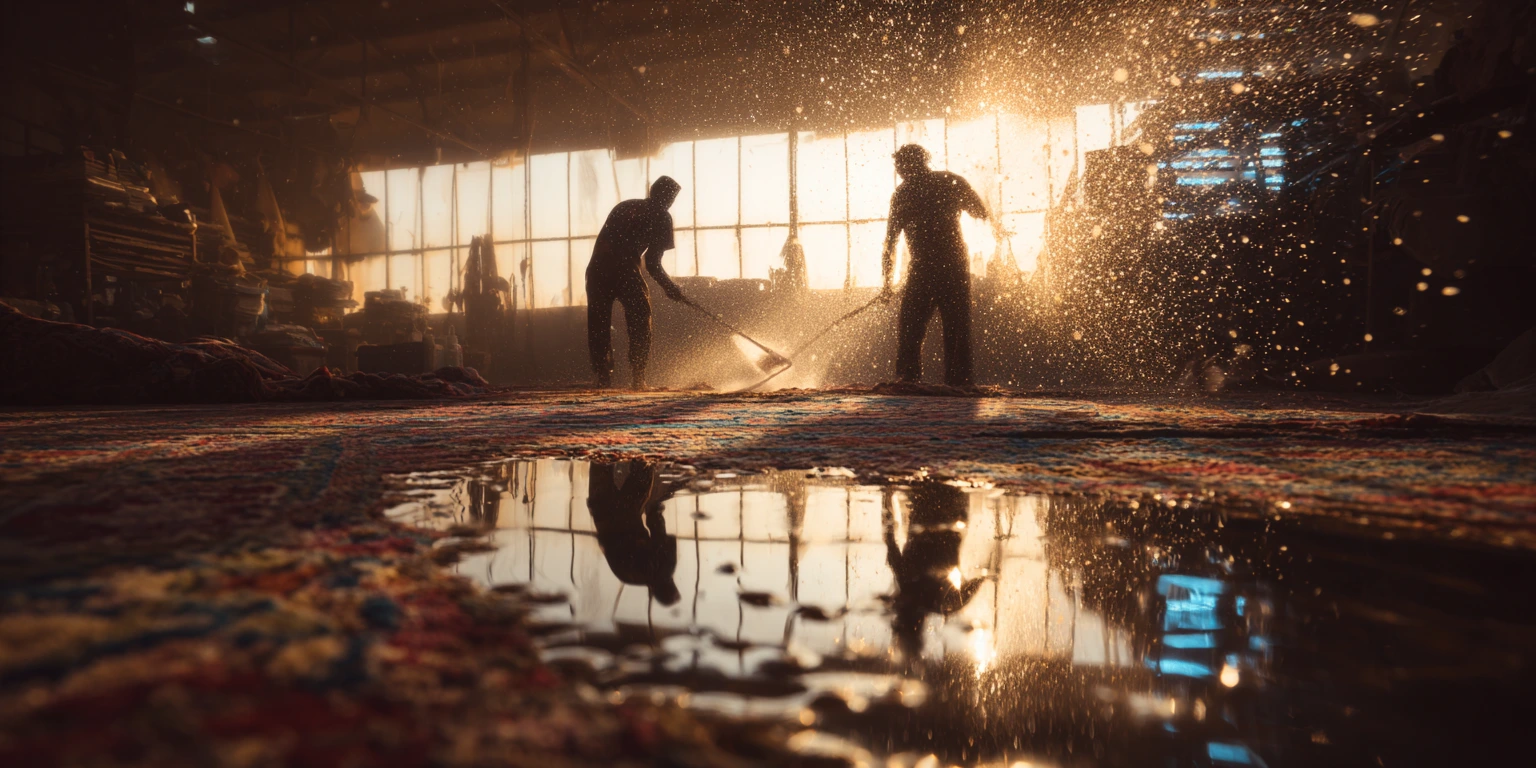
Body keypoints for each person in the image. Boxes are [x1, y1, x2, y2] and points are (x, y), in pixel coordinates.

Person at [879, 144, 989, 386]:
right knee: (956, 328)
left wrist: (887, 283)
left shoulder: (903, 194)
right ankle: (959, 381)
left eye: (900, 166)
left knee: (911, 327)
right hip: (952, 265)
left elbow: (890, 243)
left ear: (909, 165)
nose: (899, 171)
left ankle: (908, 379)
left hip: (926, 268)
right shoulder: (951, 181)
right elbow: (981, 212)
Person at [586, 176, 686, 388]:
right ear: (665, 197)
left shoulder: (625, 206)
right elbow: (652, 263)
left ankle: (603, 377)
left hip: (597, 270)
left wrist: (668, 287)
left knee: (598, 323)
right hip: (624, 271)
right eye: (670, 197)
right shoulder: (663, 219)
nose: (669, 201)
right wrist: (669, 287)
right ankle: (638, 378)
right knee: (640, 317)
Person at [883, 481, 986, 661]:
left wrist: (984, 574)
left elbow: (979, 580)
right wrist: (887, 497)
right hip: (925, 509)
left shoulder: (946, 604)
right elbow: (890, 540)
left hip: (954, 515)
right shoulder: (907, 583)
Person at [586, 461, 681, 606]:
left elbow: (656, 523)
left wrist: (660, 501)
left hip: (625, 510)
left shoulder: (663, 569)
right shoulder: (627, 576)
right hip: (602, 510)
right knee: (600, 458)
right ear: (653, 591)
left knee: (644, 463)